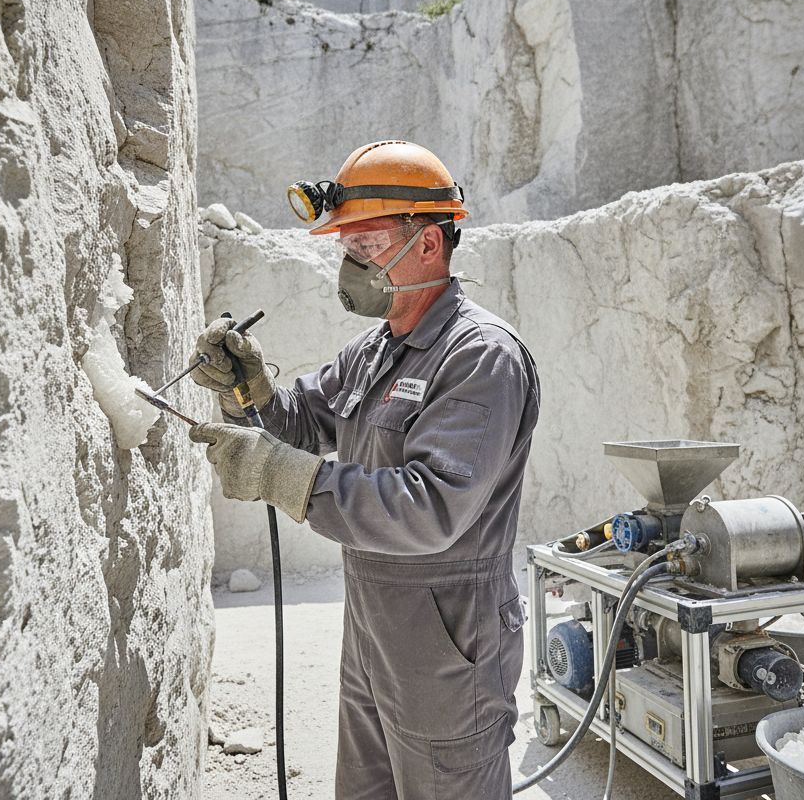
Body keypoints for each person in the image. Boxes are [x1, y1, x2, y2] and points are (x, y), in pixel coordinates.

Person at [188, 140, 541, 799]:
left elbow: (430, 509)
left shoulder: (479, 357)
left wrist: (285, 477)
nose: (352, 264)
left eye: (369, 245)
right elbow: (299, 421)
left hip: (450, 646)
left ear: (428, 244)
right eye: (347, 247)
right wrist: (248, 388)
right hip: (374, 633)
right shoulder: (374, 352)